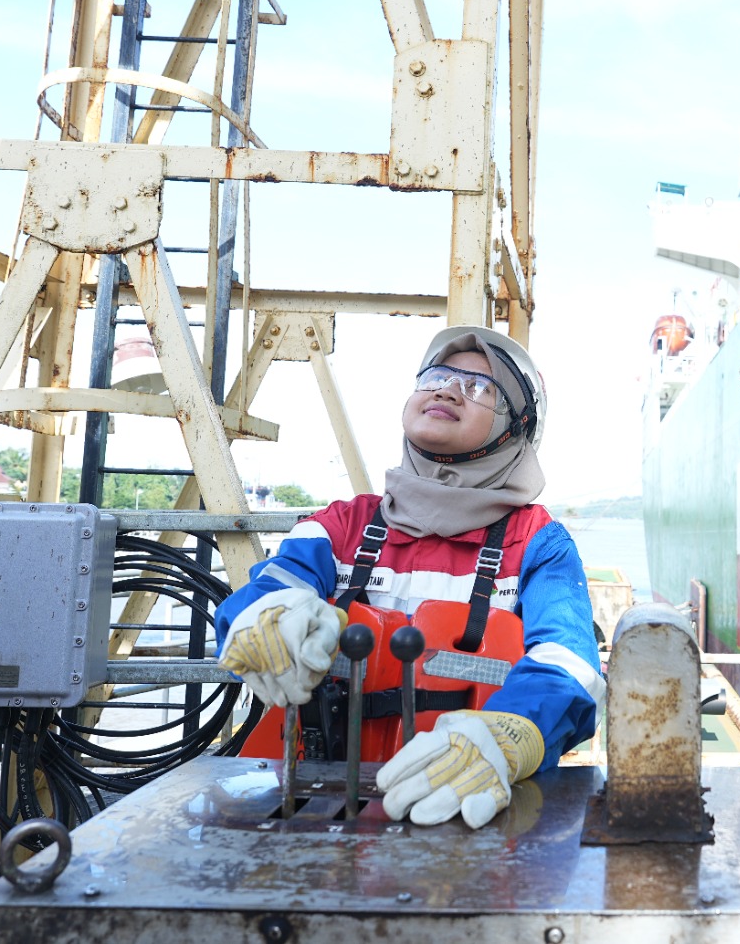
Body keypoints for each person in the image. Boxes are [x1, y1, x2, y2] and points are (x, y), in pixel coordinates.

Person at [214, 325, 603, 829]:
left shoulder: (536, 542)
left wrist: (511, 735)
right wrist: (265, 618)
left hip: (467, 804)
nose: (446, 390)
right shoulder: (339, 526)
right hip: (308, 801)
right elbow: (269, 592)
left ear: (515, 427)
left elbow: (569, 663)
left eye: (480, 387)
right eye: (438, 376)